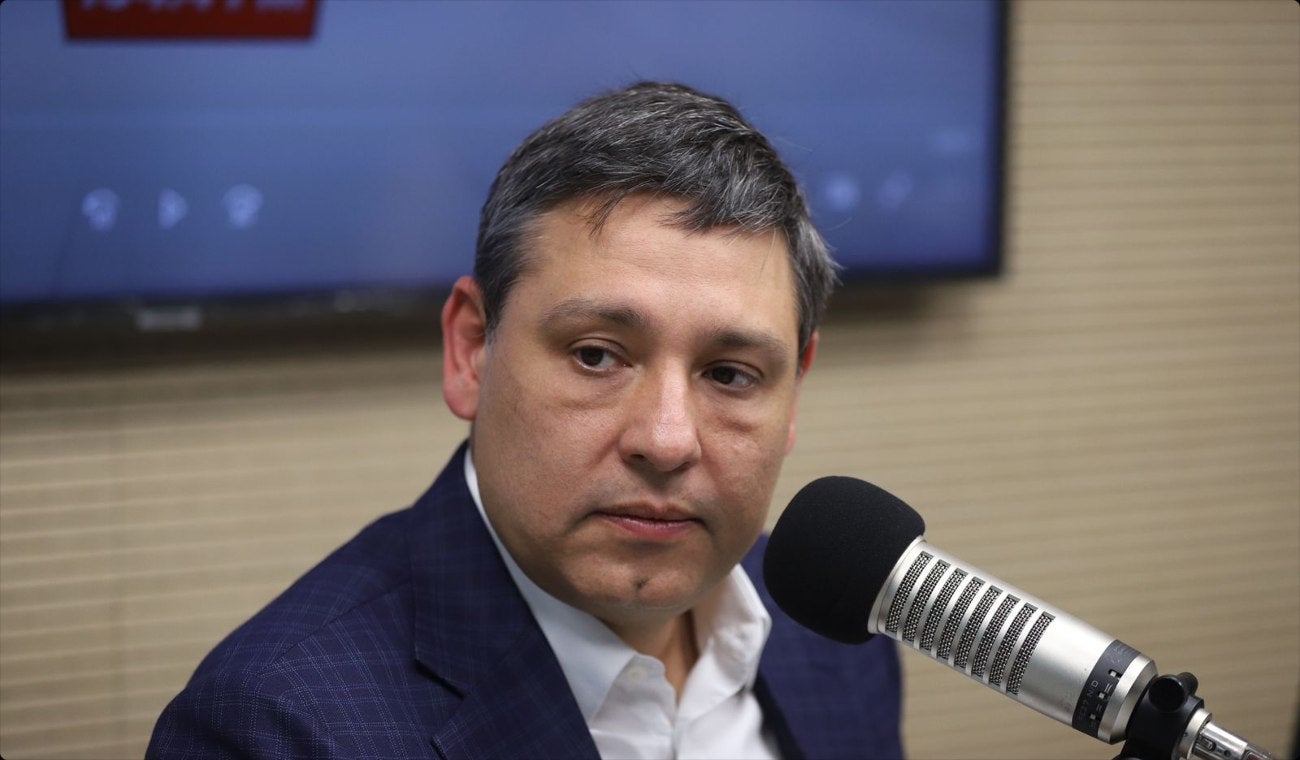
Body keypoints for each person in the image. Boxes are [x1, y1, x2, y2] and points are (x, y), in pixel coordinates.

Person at [147, 82, 904, 759]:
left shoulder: (833, 633)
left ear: (794, 392)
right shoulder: (278, 727)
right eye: (598, 357)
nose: (667, 440)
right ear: (472, 349)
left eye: (730, 375)